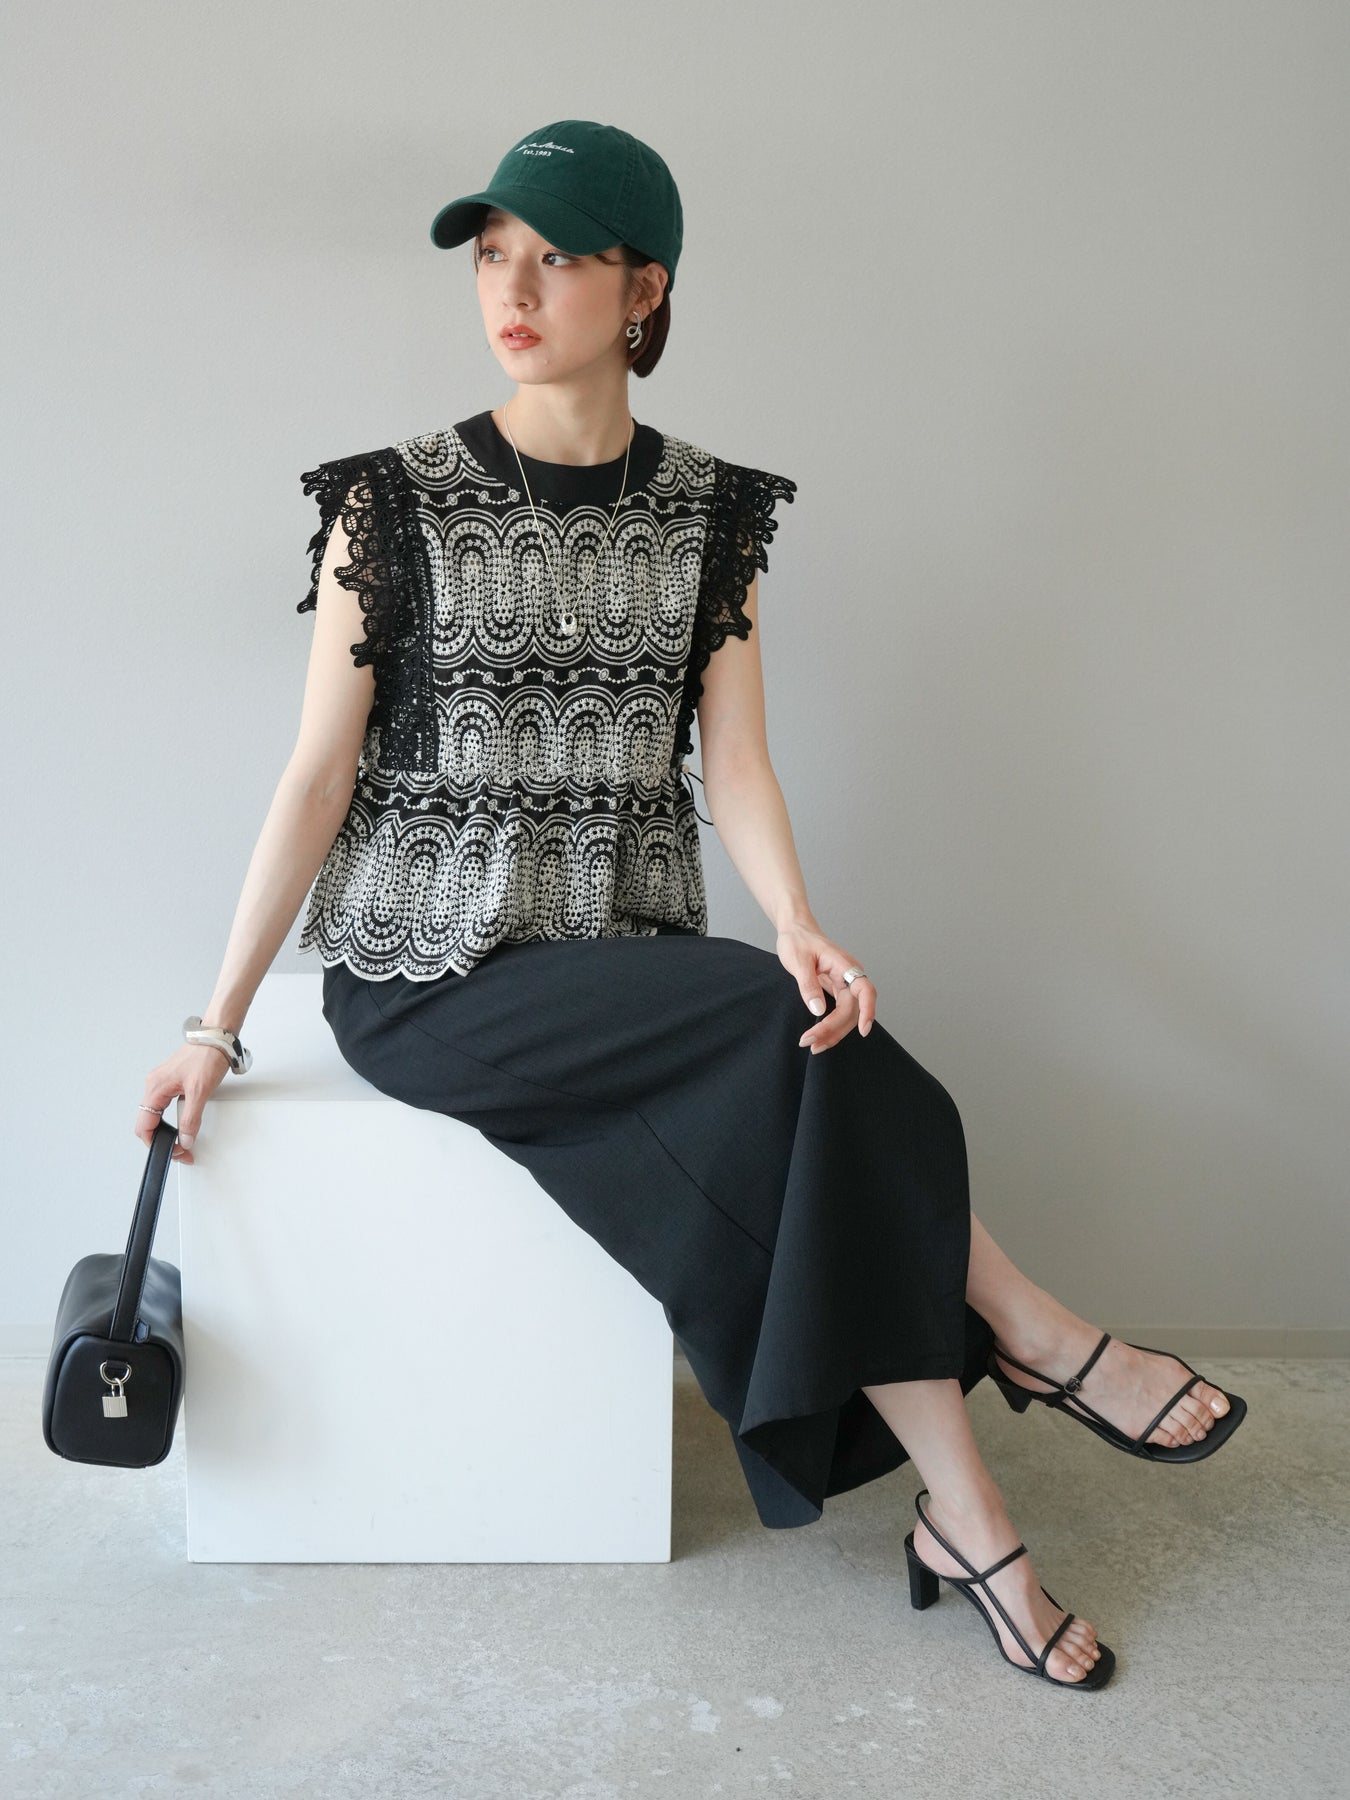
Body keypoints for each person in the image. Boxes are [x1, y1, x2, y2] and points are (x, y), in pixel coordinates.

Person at [136, 120, 1246, 1690]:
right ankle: (1043, 1340)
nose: (513, 291)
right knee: (783, 1031)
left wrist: (795, 919)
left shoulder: (710, 512)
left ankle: (968, 1515)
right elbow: (316, 778)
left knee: (818, 1053)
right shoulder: (389, 503)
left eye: (557, 257)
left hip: (622, 969)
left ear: (644, 288)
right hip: (432, 977)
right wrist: (215, 1025)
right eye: (492, 256)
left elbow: (735, 763)